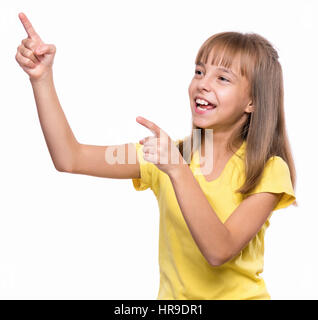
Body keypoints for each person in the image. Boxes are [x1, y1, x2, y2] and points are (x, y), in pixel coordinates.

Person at [16, 12, 297, 300]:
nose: (203, 83)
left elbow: (219, 250)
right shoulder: (169, 155)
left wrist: (177, 169)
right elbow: (70, 157)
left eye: (223, 78)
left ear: (252, 101)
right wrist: (42, 78)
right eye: (199, 71)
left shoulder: (267, 169)